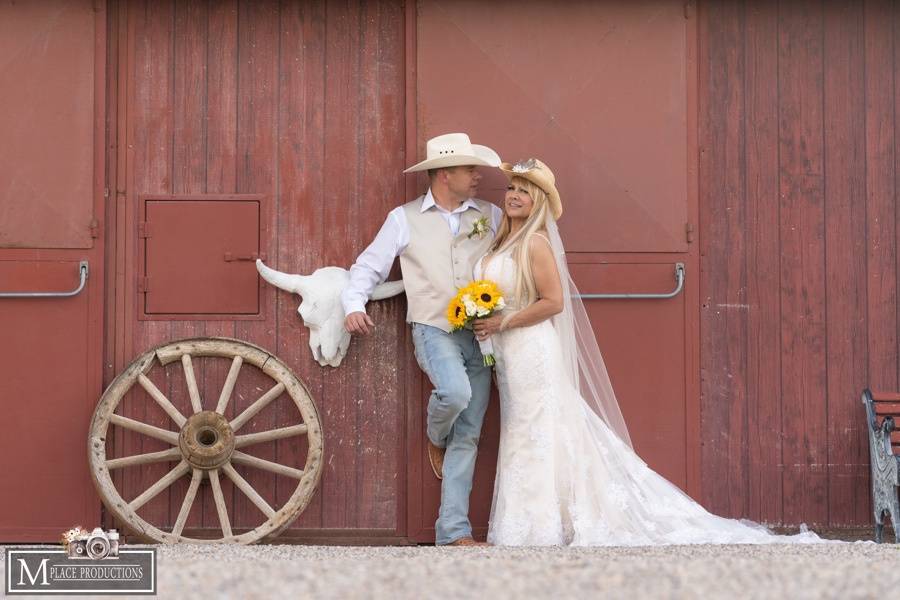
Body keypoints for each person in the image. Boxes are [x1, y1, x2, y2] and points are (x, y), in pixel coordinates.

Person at [472, 158, 823, 545]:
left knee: (535, 428)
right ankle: (530, 519)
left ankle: (538, 527)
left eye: (525, 190)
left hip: (530, 350)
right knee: (523, 428)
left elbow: (554, 302)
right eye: (511, 189)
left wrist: (503, 322)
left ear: (537, 201)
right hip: (506, 354)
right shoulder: (500, 241)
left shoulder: (535, 243)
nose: (515, 196)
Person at [342, 133, 503, 547]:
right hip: (433, 328)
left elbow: (511, 264)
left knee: (469, 433)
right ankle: (436, 435)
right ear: (445, 174)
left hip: (482, 334)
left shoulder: (491, 215)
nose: (478, 176)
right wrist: (353, 305)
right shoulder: (404, 218)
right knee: (453, 392)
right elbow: (368, 266)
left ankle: (453, 532)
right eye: (470, 169)